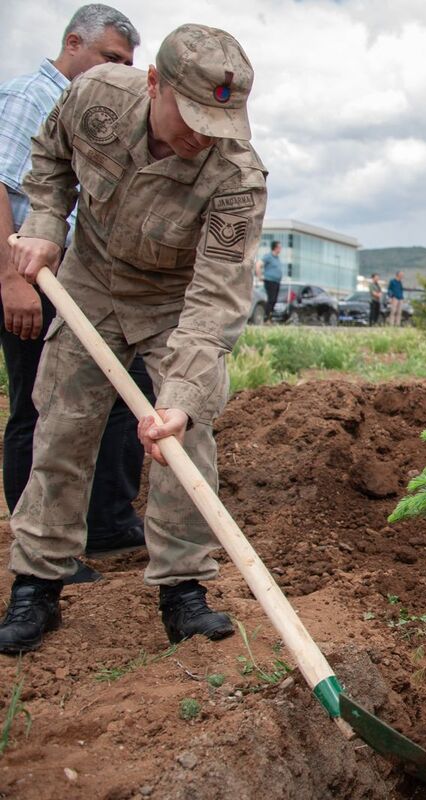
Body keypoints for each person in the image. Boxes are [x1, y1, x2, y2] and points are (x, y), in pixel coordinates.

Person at [0, 23, 268, 654]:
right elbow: (49, 159)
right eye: (193, 115)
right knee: (61, 427)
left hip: (171, 304)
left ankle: (183, 591)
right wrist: (43, 221)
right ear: (155, 84)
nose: (203, 134)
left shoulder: (236, 178)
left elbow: (215, 298)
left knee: (184, 436)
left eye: (219, 121)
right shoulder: (95, 95)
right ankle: (38, 584)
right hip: (89, 280)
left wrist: (181, 394)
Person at [0, 4, 152, 585]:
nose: (117, 72)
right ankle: (37, 547)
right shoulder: (29, 99)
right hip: (29, 282)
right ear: (72, 44)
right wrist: (13, 280)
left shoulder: (99, 114)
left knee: (125, 392)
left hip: (76, 288)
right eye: (110, 58)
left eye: (127, 65)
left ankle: (108, 522)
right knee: (39, 411)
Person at [256, 240, 283, 321]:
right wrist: (259, 276)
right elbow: (258, 265)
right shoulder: (268, 256)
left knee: (274, 300)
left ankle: (269, 317)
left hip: (276, 282)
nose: (281, 249)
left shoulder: (277, 258)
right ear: (275, 248)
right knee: (271, 299)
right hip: (270, 281)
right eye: (280, 247)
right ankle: (266, 318)